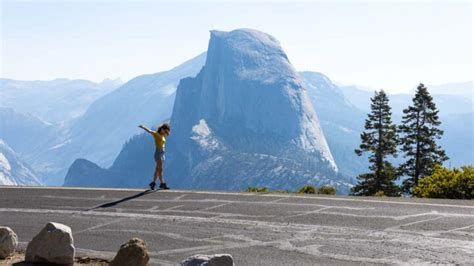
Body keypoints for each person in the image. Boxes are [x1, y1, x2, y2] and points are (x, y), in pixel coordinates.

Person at [138, 123, 171, 190]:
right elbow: (150, 131)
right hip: (158, 154)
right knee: (160, 170)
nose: (165, 132)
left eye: (166, 131)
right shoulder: (156, 134)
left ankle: (153, 183)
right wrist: (143, 127)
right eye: (165, 130)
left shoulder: (163, 135)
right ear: (162, 129)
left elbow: (166, 135)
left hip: (162, 154)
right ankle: (162, 183)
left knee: (157, 170)